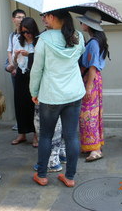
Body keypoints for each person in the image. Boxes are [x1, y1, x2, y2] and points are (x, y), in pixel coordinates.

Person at [30, 10, 85, 187]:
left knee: (45, 135)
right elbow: (78, 56)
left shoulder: (44, 39)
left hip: (52, 95)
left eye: (45, 16)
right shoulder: (78, 36)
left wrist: (34, 91)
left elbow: (37, 69)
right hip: (74, 93)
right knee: (71, 136)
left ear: (53, 17)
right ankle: (69, 177)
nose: (44, 19)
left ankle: (42, 175)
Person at [77, 11, 109, 162]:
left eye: (82, 21)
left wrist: (88, 88)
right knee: (93, 114)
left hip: (91, 80)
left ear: (88, 24)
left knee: (88, 115)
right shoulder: (96, 41)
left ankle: (95, 149)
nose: (81, 24)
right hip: (95, 80)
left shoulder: (94, 43)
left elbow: (92, 67)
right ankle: (93, 145)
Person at [10, 17, 39, 147]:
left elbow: (41, 59)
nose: (26, 34)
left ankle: (36, 134)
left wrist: (29, 54)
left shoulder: (39, 41)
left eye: (28, 32)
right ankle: (22, 133)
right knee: (20, 104)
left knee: (33, 106)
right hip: (21, 74)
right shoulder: (18, 40)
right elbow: (15, 63)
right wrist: (16, 56)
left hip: (34, 75)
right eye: (23, 32)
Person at [5, 9, 26, 132]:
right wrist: (12, 65)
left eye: (23, 17)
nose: (21, 19)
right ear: (13, 19)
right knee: (18, 98)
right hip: (15, 69)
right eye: (18, 17)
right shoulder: (12, 35)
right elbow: (9, 50)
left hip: (25, 69)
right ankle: (20, 125)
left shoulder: (27, 34)